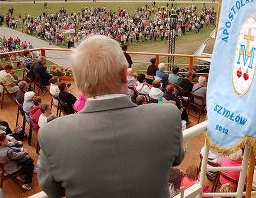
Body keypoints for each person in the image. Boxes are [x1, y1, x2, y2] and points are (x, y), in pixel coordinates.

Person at [38, 35, 184, 197]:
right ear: (124, 74)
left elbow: (53, 190)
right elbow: (177, 159)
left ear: (78, 83)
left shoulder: (51, 135)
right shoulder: (168, 115)